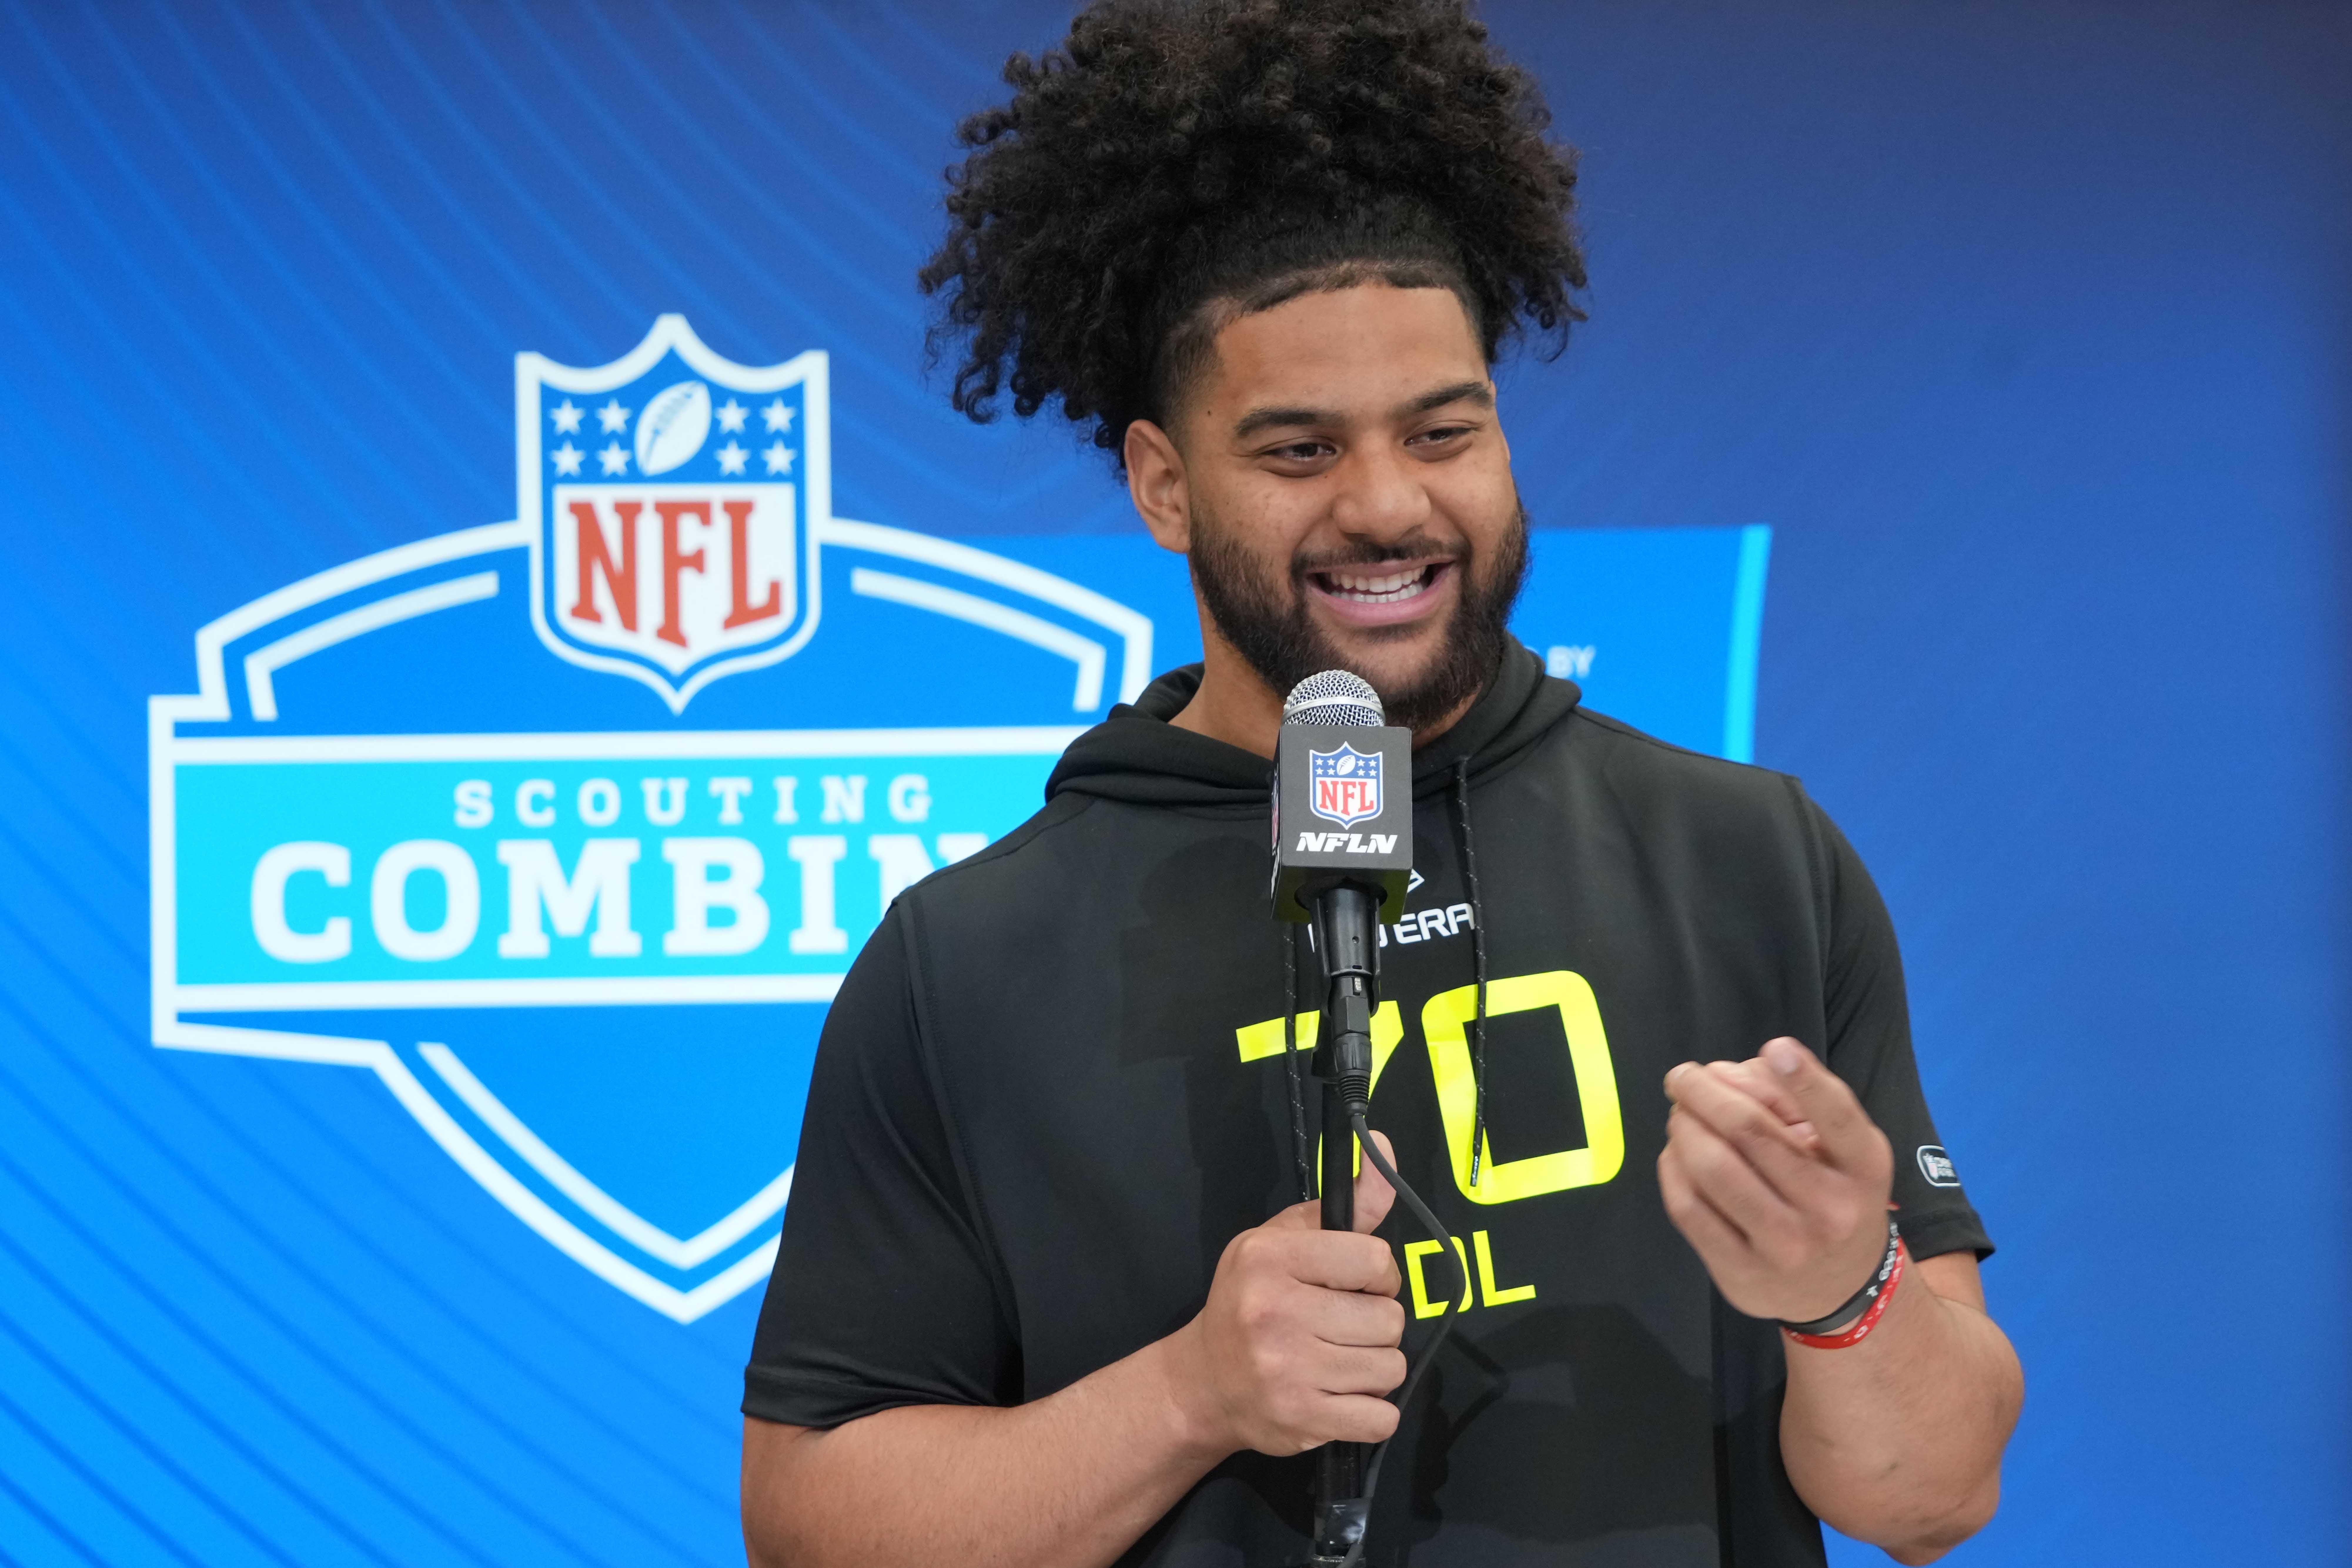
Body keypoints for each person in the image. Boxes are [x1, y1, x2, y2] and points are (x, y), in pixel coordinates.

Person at [739, 1, 2023, 1563]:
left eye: (1443, 430)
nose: (1388, 504)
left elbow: (1933, 1494)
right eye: (1295, 451)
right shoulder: (964, 963)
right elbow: (813, 1528)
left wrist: (1843, 1290)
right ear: (1162, 482)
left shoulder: (1748, 857)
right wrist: (1189, 1392)